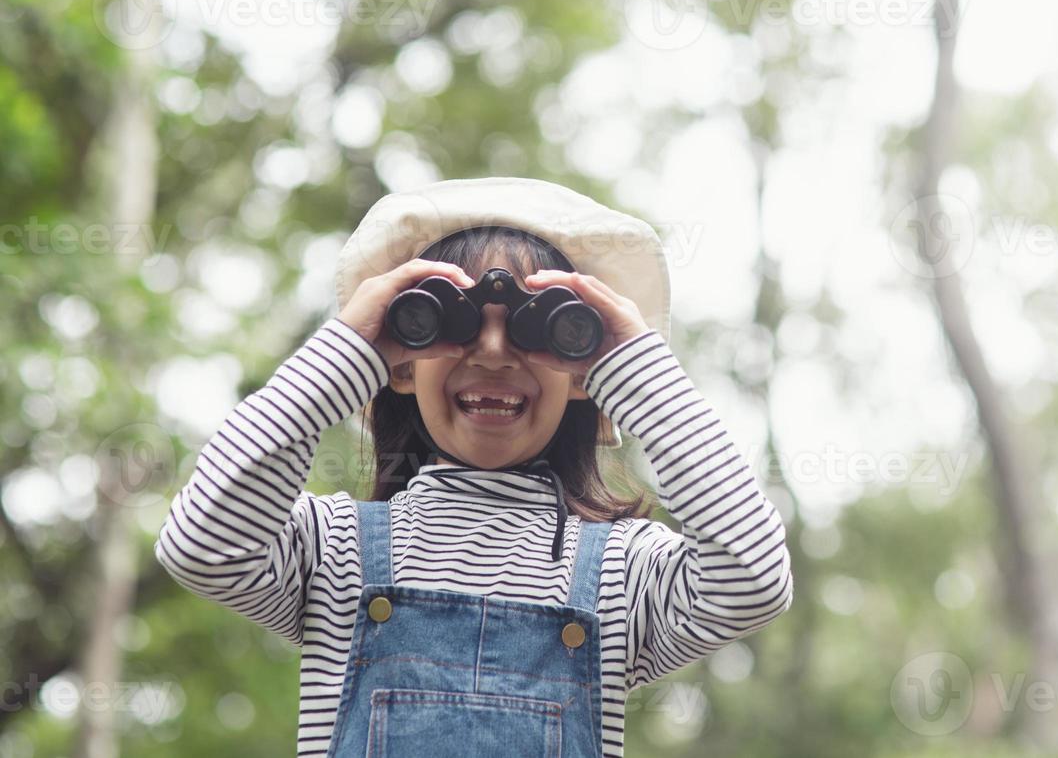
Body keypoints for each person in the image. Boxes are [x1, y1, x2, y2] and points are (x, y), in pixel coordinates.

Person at [153, 176, 795, 756]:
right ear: (401, 363)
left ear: (582, 374)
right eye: (450, 324)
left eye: (534, 330)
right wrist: (349, 349)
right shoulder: (333, 550)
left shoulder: (622, 573)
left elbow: (753, 578)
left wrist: (631, 364)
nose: (492, 351)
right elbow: (200, 546)